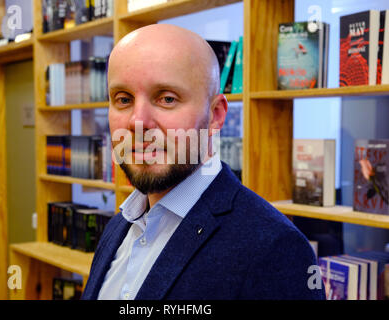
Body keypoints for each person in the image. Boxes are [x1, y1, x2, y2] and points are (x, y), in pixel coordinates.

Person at [81, 24, 325, 300]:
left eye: (167, 98)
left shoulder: (274, 248)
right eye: (123, 99)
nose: (138, 122)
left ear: (216, 116)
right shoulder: (120, 224)